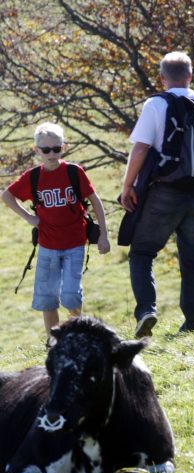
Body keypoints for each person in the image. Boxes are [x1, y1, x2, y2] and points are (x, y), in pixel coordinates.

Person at [120, 51, 194, 338]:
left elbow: (141, 148)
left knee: (142, 252)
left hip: (164, 192)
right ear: (190, 75)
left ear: (162, 77)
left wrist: (127, 186)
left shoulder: (156, 104)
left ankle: (147, 310)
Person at [2, 122, 111, 334]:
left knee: (71, 295)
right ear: (37, 150)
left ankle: (75, 336)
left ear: (64, 147)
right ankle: (53, 341)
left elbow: (95, 201)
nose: (52, 154)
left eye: (56, 148)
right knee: (47, 298)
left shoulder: (74, 172)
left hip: (75, 244)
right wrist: (29, 218)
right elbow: (6, 196)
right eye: (46, 150)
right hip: (48, 246)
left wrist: (103, 236)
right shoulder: (33, 177)